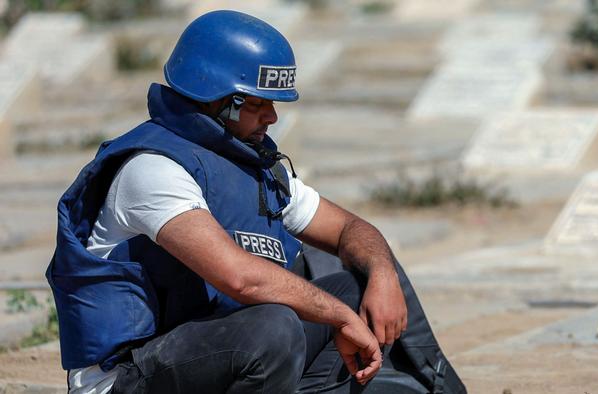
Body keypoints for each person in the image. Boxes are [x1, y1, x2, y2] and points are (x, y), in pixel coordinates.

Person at [46, 10, 466, 394]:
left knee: (354, 282)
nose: (272, 118)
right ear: (215, 97)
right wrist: (337, 316)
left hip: (213, 356)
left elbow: (349, 229)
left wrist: (382, 273)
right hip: (128, 377)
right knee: (275, 324)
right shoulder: (153, 168)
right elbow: (239, 279)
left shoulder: (251, 165)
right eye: (258, 104)